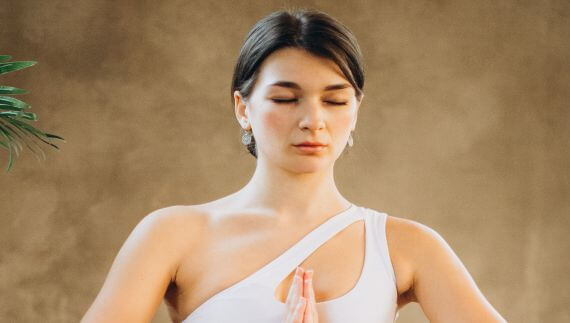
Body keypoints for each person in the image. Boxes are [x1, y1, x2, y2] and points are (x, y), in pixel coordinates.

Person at [81, 8, 507, 323]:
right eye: (286, 99)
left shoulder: (405, 246)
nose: (313, 120)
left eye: (335, 100)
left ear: (355, 109)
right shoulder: (172, 235)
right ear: (242, 107)